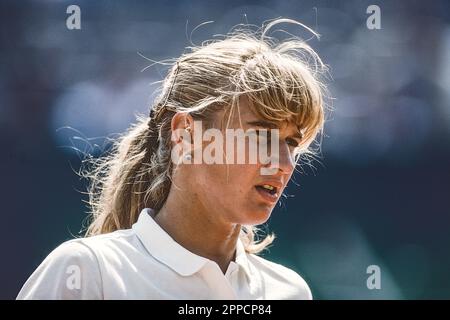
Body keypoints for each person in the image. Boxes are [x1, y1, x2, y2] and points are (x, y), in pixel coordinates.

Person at [17, 18, 327, 299]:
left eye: (291, 143)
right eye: (261, 136)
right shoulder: (88, 271)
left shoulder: (290, 291)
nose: (285, 163)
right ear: (185, 134)